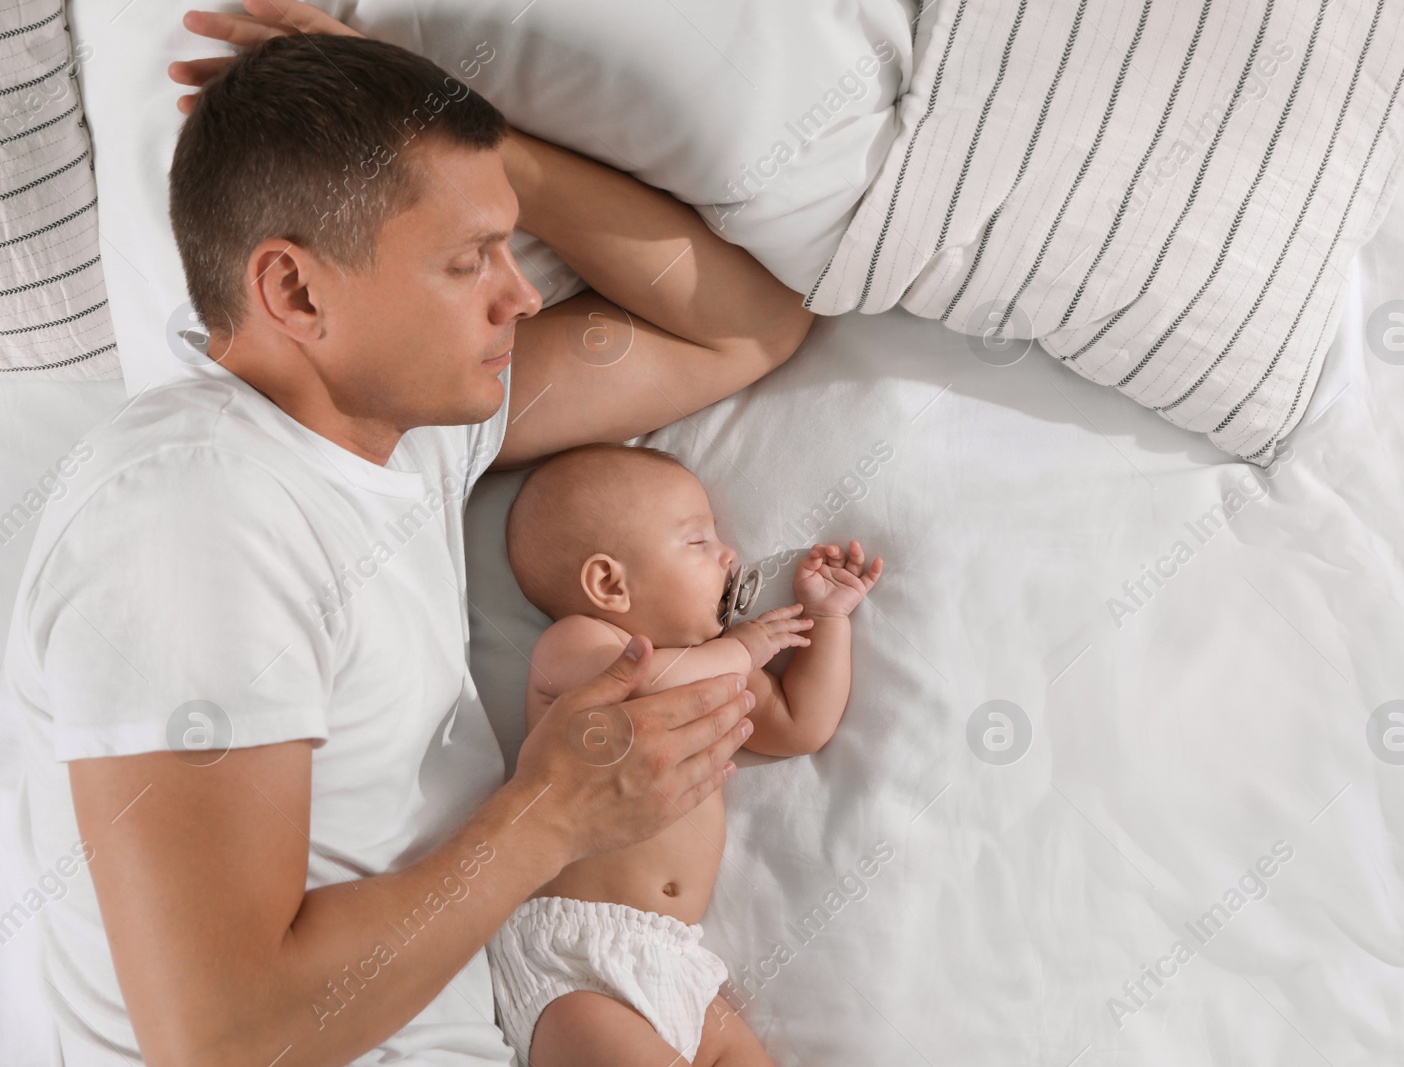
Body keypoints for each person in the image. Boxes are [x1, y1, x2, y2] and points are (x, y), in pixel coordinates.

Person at [2, 3, 813, 1065]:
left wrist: (479, 143)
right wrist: (552, 813)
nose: (521, 292)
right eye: (471, 257)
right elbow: (222, 1039)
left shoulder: (408, 438)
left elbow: (747, 323)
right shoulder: (191, 516)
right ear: (294, 288)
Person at [489, 443, 882, 1065]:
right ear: (609, 583)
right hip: (575, 962)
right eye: (698, 541)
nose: (730, 555)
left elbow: (801, 726)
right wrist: (743, 650)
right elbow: (647, 680)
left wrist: (827, 621)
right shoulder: (579, 644)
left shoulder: (716, 663)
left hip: (678, 960)